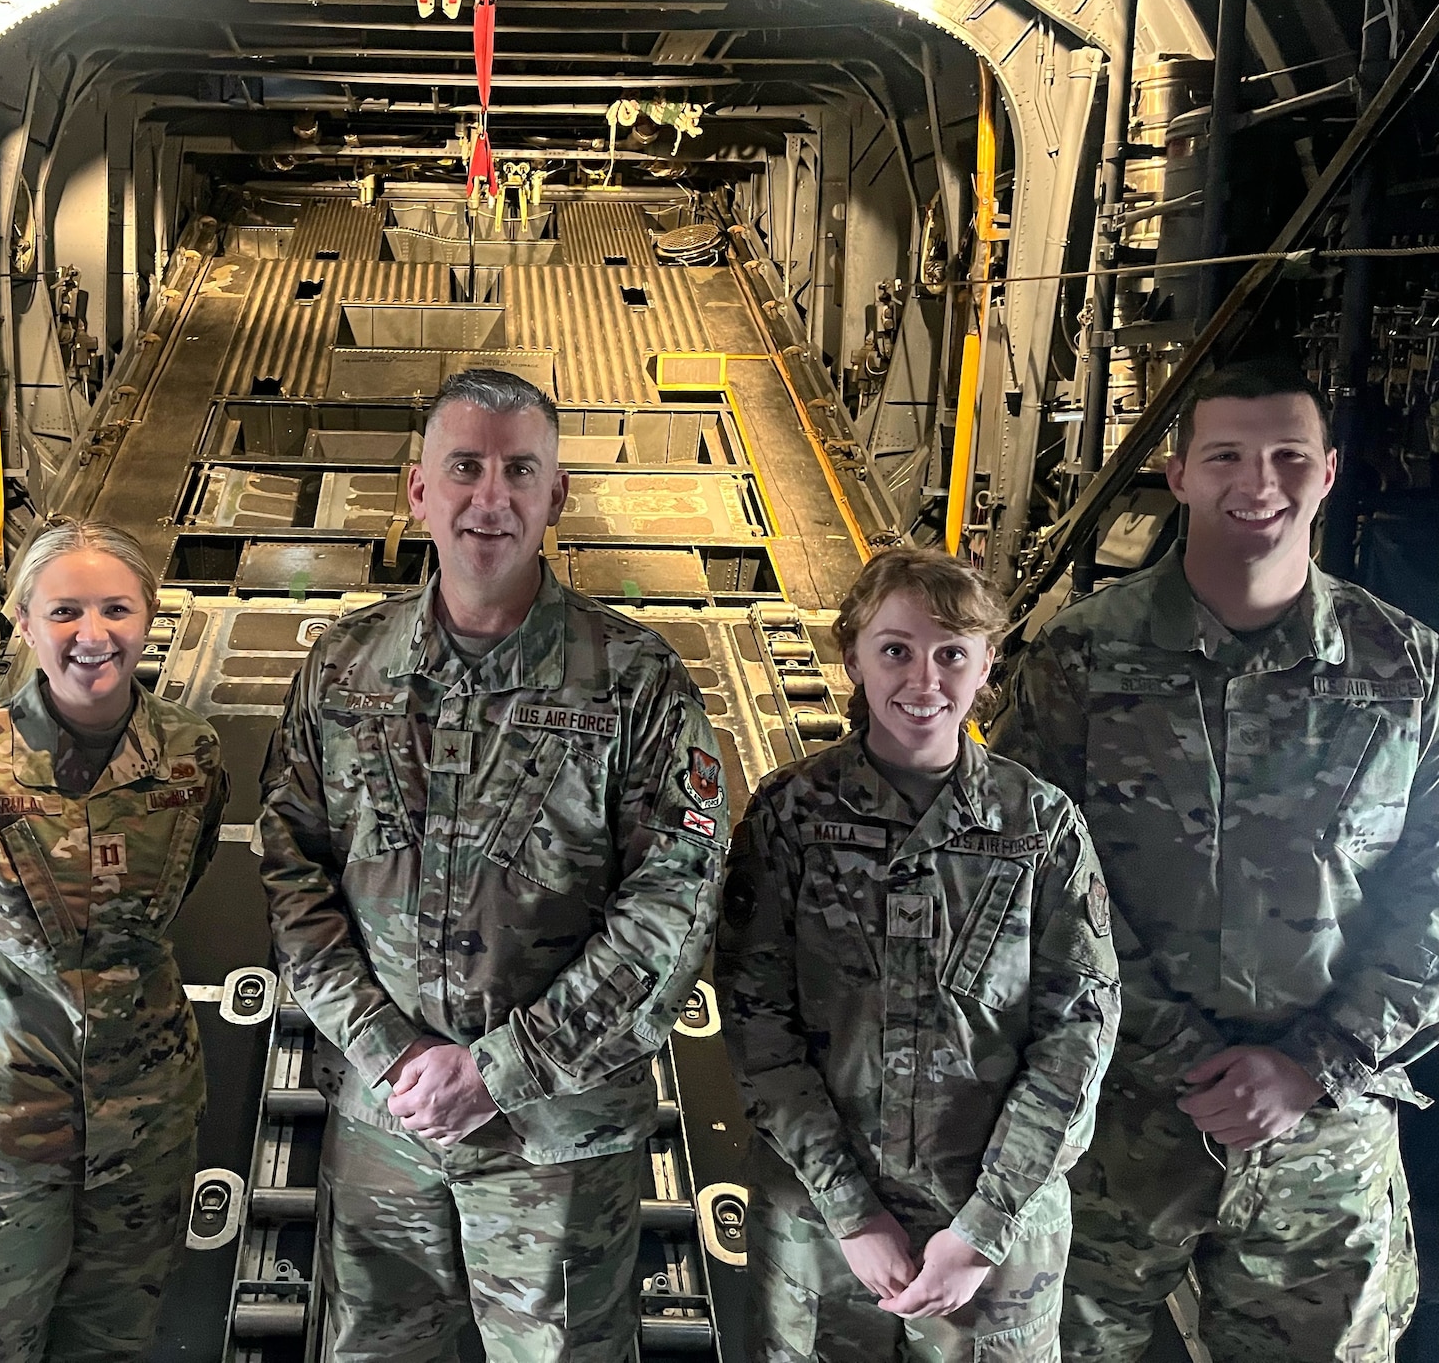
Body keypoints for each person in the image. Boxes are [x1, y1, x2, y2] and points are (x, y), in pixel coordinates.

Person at [259, 367, 729, 1363]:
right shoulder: (341, 669)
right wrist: (387, 1051)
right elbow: (291, 872)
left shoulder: (637, 684)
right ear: (418, 490)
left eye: (520, 470)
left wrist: (497, 1072)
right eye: (463, 466)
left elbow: (670, 916)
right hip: (385, 1130)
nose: (491, 496)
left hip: (554, 1147)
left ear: (555, 496)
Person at [991, 360, 1439, 1362]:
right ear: (1177, 473)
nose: (1258, 484)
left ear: (1326, 474)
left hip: (1318, 1148)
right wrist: (1170, 1053)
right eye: (1226, 456)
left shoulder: (1405, 674)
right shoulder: (1079, 661)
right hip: (1109, 1126)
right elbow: (1031, 879)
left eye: (1286, 457)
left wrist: (1307, 1065)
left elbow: (1431, 901)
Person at [716, 547, 1119, 1362]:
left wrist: (984, 1228)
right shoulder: (791, 817)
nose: (924, 680)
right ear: (855, 658)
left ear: (986, 665)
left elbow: (1077, 1032)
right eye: (895, 649)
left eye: (952, 653)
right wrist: (853, 1212)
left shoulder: (1038, 825)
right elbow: (759, 1025)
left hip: (994, 1243)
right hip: (823, 1232)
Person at [0, 520, 227, 1363]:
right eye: (64, 611)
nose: (92, 636)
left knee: (114, 1347)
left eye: (115, 610)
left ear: (148, 617)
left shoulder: (189, 758)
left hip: (143, 1131)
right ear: (24, 621)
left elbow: (175, 888)